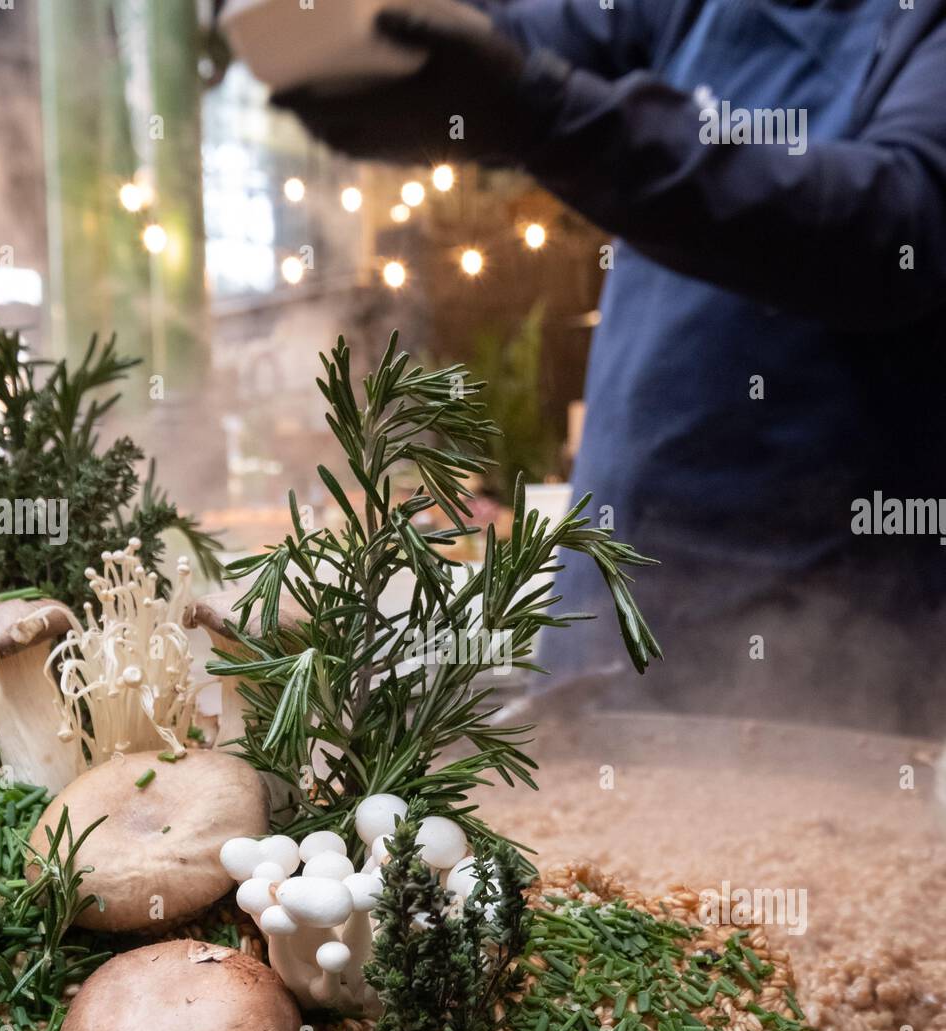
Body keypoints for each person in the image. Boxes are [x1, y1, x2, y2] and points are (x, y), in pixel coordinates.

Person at [270, 0, 946, 734]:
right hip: (608, 600)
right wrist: (363, 38)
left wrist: (535, 109)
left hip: (832, 649)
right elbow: (501, 38)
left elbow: (893, 227)